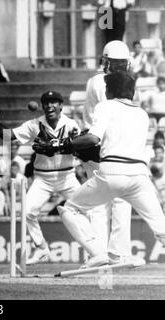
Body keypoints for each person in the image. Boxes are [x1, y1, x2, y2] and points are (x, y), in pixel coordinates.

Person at [48, 72, 165, 268]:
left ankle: (97, 253)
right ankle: (118, 254)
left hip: (112, 172)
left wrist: (61, 144)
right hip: (140, 176)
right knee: (161, 226)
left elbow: (93, 139)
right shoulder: (142, 114)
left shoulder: (105, 106)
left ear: (110, 90)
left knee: (70, 209)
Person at [0, 90, 81, 264]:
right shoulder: (34, 124)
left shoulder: (71, 124)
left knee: (89, 210)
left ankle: (97, 251)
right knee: (27, 211)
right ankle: (42, 248)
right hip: (42, 179)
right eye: (46, 102)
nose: (49, 105)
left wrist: (56, 146)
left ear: (61, 105)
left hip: (67, 177)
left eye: (54, 102)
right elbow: (10, 136)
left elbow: (78, 147)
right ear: (42, 106)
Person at [81, 40, 136, 265]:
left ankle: (115, 253)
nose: (120, 68)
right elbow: (113, 117)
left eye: (123, 64)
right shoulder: (100, 82)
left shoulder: (120, 81)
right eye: (116, 64)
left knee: (119, 200)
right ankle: (102, 253)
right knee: (102, 203)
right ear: (106, 63)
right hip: (98, 147)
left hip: (110, 146)